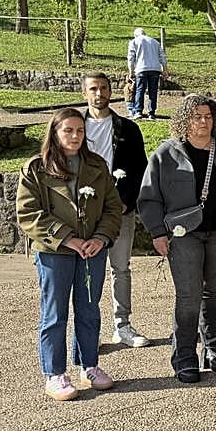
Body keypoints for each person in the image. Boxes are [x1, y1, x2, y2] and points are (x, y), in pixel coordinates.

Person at [138, 94, 216, 383]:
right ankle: (185, 356)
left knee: (214, 293)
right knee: (189, 296)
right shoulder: (166, 154)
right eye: (196, 116)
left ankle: (213, 345)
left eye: (207, 115)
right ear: (184, 120)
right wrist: (157, 232)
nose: (203, 121)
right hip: (183, 237)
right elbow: (149, 198)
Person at [16, 108, 123, 401]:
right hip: (55, 252)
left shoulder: (97, 165)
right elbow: (28, 213)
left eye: (80, 130)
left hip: (92, 251)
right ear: (55, 132)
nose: (75, 136)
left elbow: (114, 208)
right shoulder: (36, 168)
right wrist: (68, 239)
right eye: (68, 130)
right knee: (55, 313)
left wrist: (100, 238)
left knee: (89, 309)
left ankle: (89, 365)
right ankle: (54, 373)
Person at [80, 72, 150, 348]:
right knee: (88, 270)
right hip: (85, 211)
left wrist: (126, 200)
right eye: (94, 89)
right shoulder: (75, 127)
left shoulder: (128, 129)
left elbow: (140, 170)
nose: (99, 94)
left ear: (112, 91)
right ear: (85, 93)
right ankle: (88, 330)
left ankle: (122, 325)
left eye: (104, 88)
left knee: (120, 268)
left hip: (120, 210)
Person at [126, 27, 167, 120]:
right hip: (155, 69)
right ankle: (151, 113)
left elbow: (131, 58)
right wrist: (165, 69)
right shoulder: (155, 42)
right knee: (153, 91)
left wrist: (131, 71)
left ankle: (138, 111)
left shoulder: (134, 41)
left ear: (135, 35)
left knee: (140, 90)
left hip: (141, 68)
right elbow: (162, 56)